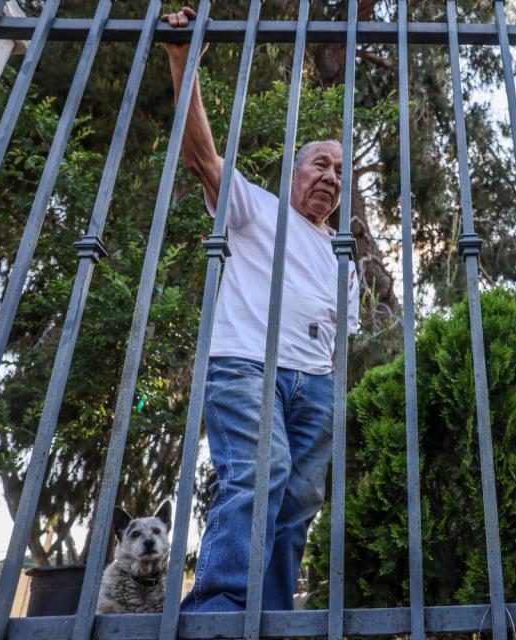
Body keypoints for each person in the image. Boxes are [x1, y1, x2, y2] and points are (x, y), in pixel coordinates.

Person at [162, 7, 359, 612]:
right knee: (257, 476)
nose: (330, 176)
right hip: (250, 366)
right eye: (319, 163)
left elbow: (339, 337)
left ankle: (269, 617)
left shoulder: (342, 258)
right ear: (294, 172)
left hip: (317, 386)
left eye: (340, 171)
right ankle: (220, 608)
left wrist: (328, 387)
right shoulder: (257, 207)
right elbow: (200, 155)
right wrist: (181, 59)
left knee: (298, 503)